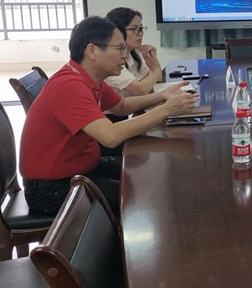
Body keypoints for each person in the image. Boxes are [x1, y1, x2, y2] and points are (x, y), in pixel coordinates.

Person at [20, 16, 198, 216]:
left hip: (84, 167)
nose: (125, 55)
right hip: (52, 188)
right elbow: (110, 136)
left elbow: (121, 106)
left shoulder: (86, 77)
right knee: (141, 194)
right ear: (92, 50)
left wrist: (162, 96)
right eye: (120, 48)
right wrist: (166, 110)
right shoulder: (70, 86)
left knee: (144, 176)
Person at [105, 7, 162, 96]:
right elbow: (142, 89)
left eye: (141, 28)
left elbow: (158, 78)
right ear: (117, 31)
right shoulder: (110, 60)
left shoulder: (133, 52)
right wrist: (155, 69)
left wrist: (154, 62)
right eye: (134, 29)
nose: (140, 33)